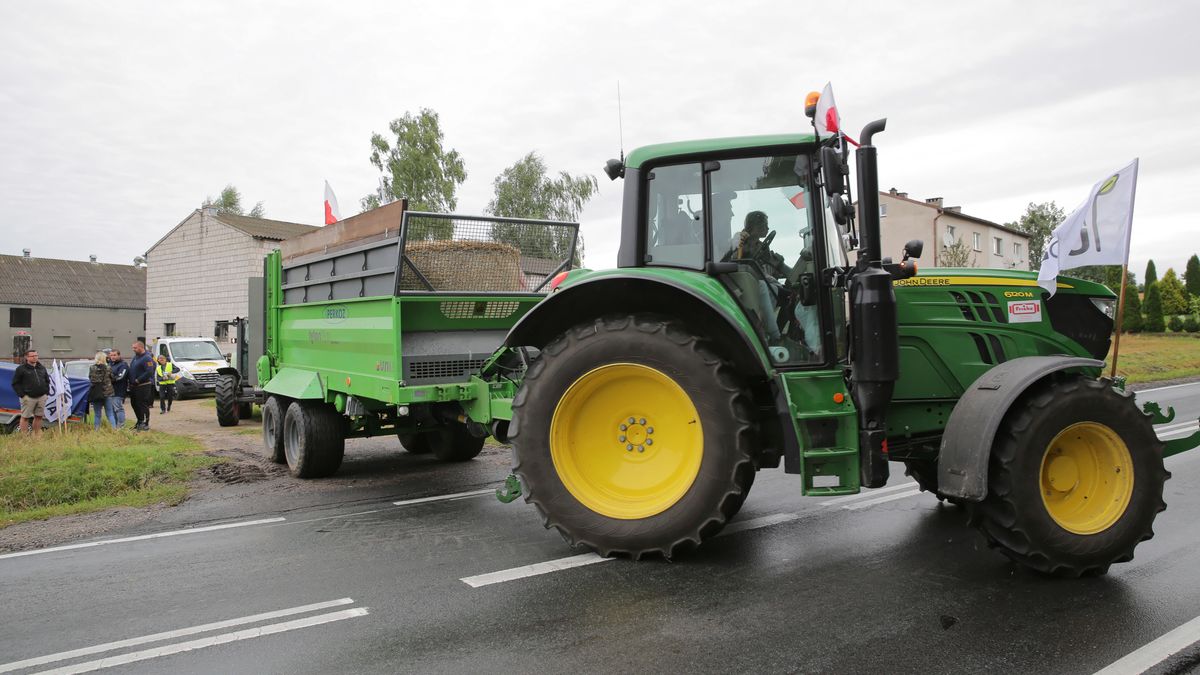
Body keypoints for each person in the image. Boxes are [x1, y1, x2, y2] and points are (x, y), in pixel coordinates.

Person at [11, 348, 50, 437]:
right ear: (27, 357)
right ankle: (24, 437)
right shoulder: (21, 369)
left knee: (39, 416)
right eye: (32, 356)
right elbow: (15, 383)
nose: (35, 357)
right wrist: (23, 395)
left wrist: (46, 393)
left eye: (36, 355)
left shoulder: (42, 368)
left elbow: (47, 381)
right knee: (25, 417)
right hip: (28, 398)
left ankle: (36, 436)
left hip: (41, 397)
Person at [128, 341, 155, 430]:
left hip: (143, 385)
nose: (133, 349)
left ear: (141, 347)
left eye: (135, 348)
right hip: (134, 386)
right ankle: (139, 421)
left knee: (142, 404)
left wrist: (138, 380)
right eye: (133, 347)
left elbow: (149, 371)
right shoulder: (135, 357)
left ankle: (145, 423)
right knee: (134, 404)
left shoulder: (147, 358)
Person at [87, 352, 116, 429]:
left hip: (96, 393)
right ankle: (114, 430)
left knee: (97, 414)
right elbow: (113, 378)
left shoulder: (92, 368)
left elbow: (90, 378)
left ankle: (97, 430)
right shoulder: (108, 368)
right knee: (110, 413)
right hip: (107, 393)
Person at [108, 349, 128, 428]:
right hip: (110, 391)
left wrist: (110, 380)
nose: (112, 357)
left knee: (118, 408)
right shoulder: (110, 364)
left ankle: (121, 426)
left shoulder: (123, 365)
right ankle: (115, 426)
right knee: (112, 409)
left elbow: (121, 376)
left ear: (119, 355)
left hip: (119, 390)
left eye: (114, 355)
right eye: (111, 355)